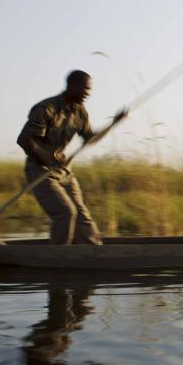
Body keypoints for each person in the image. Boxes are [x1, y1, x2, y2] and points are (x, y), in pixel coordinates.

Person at [17, 70, 126, 245]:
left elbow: (89, 139)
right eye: (85, 89)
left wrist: (114, 123)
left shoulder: (80, 112)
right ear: (72, 86)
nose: (88, 94)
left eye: (89, 90)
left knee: (82, 216)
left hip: (64, 172)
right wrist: (47, 157)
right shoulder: (46, 108)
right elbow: (24, 140)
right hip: (40, 172)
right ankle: (60, 258)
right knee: (66, 213)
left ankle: (92, 253)